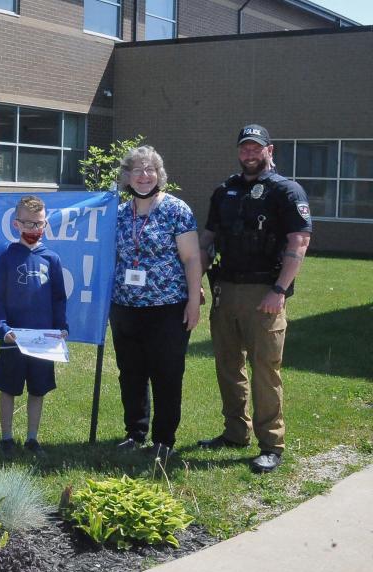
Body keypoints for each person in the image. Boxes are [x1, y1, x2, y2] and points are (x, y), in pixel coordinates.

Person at [198, 124, 311, 473]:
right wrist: (194, 282)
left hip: (265, 293)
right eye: (244, 147)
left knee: (265, 369)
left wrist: (279, 291)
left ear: (269, 150)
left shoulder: (286, 191)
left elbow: (299, 243)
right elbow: (207, 241)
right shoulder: (225, 191)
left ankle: (271, 444)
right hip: (225, 290)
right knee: (228, 365)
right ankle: (235, 432)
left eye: (256, 148)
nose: (249, 153)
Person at [110, 146, 202, 462]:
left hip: (168, 307)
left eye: (150, 170)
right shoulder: (120, 213)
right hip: (124, 307)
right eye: (137, 170)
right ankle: (135, 433)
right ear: (127, 176)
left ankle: (164, 439)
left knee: (166, 373)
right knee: (131, 373)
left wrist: (194, 300)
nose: (144, 176)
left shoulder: (177, 210)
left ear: (159, 174)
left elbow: (191, 258)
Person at [0, 195, 69, 459]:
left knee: (38, 388)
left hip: (43, 339)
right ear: (16, 224)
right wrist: (3, 328)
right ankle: (6, 438)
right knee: (8, 387)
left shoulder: (52, 258)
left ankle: (32, 438)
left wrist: (61, 327)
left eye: (40, 224)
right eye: (29, 224)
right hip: (13, 337)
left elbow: (59, 296)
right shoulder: (7, 257)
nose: (35, 230)